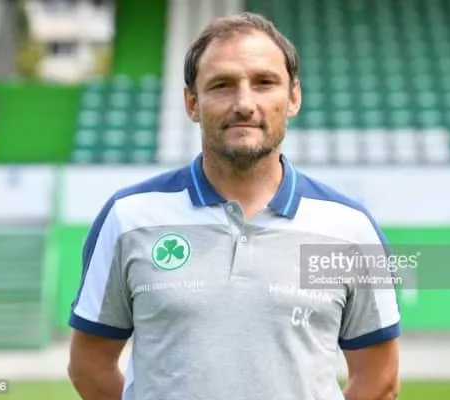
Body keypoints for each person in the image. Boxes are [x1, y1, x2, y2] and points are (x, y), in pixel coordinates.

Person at [67, 11, 401, 400]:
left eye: (264, 83)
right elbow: (89, 366)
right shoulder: (129, 218)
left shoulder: (349, 228)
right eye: (222, 85)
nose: (244, 103)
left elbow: (380, 378)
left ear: (293, 98)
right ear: (192, 103)